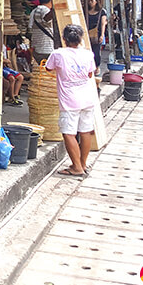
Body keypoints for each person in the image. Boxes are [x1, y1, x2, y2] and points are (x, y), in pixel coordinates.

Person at [46, 24, 98, 177]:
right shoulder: (88, 54)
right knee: (85, 131)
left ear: (64, 39)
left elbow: (48, 68)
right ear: (80, 38)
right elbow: (89, 74)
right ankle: (82, 163)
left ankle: (76, 166)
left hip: (70, 101)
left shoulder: (58, 54)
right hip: (87, 98)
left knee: (68, 133)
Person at [29, 0, 55, 64]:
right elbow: (46, 18)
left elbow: (30, 27)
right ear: (51, 0)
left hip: (36, 47)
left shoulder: (33, 11)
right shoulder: (44, 10)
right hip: (46, 48)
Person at [86, 0, 107, 74]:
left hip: (97, 34)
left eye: (92, 1)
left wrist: (102, 35)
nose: (90, 2)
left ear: (96, 2)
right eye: (89, 1)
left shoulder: (102, 11)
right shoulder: (86, 11)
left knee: (96, 51)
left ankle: (97, 67)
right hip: (87, 34)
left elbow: (103, 24)